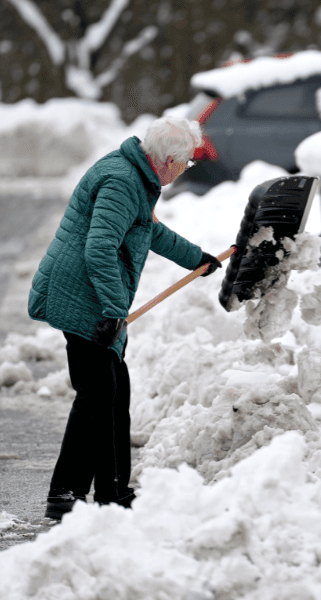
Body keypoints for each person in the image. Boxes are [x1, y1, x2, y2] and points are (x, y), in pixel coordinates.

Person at [27, 116, 222, 521]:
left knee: (108, 393)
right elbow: (99, 248)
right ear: (167, 160)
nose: (185, 169)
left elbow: (148, 230)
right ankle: (75, 493)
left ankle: (104, 490)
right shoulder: (121, 180)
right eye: (185, 163)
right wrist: (115, 311)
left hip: (88, 293)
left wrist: (196, 258)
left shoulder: (134, 177)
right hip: (81, 296)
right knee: (100, 394)